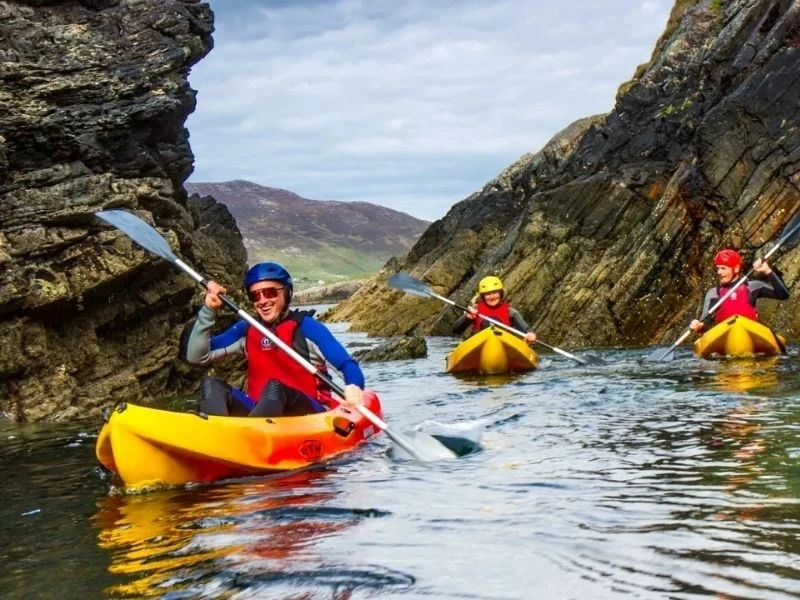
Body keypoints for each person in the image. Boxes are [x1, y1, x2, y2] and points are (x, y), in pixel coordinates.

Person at [185, 261, 364, 417]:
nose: (262, 300)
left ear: (286, 293)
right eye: (255, 295)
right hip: (259, 412)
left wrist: (354, 385)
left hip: (310, 413)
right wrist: (209, 310)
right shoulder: (247, 328)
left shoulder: (308, 328)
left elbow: (346, 364)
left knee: (275, 389)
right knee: (212, 385)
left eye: (270, 292)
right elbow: (197, 356)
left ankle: (252, 434)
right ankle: (217, 432)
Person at [689, 249, 789, 333]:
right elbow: (706, 323)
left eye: (723, 268)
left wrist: (768, 271)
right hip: (725, 335)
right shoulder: (713, 293)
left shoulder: (753, 286)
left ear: (736, 268)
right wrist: (698, 326)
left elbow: (783, 295)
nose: (719, 272)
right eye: (718, 269)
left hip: (751, 333)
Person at [451, 275, 537, 343]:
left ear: (500, 294)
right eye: (487, 294)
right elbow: (455, 331)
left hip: (503, 346)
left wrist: (530, 335)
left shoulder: (511, 312)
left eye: (495, 293)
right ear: (483, 296)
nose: (491, 297)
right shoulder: (474, 310)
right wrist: (467, 318)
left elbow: (527, 330)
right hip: (478, 345)